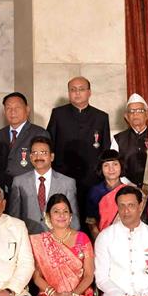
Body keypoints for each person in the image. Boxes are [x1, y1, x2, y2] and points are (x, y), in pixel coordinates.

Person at [47, 77, 115, 212]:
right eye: (73, 90)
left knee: (90, 216)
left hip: (92, 178)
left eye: (81, 89)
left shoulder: (101, 117)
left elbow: (105, 150)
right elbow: (49, 144)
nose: (77, 93)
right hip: (63, 175)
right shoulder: (58, 114)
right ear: (68, 93)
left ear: (89, 92)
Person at [7, 135, 78, 234]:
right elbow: (14, 218)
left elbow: (73, 218)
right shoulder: (19, 182)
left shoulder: (67, 183)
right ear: (30, 157)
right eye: (34, 153)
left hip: (58, 240)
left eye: (43, 153)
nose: (38, 157)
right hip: (29, 240)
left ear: (51, 157)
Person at [0, 91, 49, 188]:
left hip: (29, 187)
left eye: (17, 107)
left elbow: (44, 165)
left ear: (27, 109)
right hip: (4, 188)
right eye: (8, 108)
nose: (13, 112)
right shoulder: (0, 135)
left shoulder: (39, 133)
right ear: (4, 111)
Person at [85, 151, 132, 236]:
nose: (111, 169)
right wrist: (99, 241)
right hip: (102, 238)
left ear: (121, 166)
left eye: (115, 164)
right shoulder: (95, 191)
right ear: (101, 168)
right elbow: (91, 222)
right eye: (106, 165)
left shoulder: (130, 191)